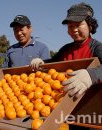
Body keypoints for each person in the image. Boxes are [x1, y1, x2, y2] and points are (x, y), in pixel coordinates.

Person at [30, 2, 102, 130]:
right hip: (63, 109)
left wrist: (92, 75)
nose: (74, 29)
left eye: (78, 24)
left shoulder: (96, 48)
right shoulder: (66, 49)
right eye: (70, 26)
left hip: (89, 112)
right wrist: (42, 62)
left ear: (90, 25)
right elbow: (54, 64)